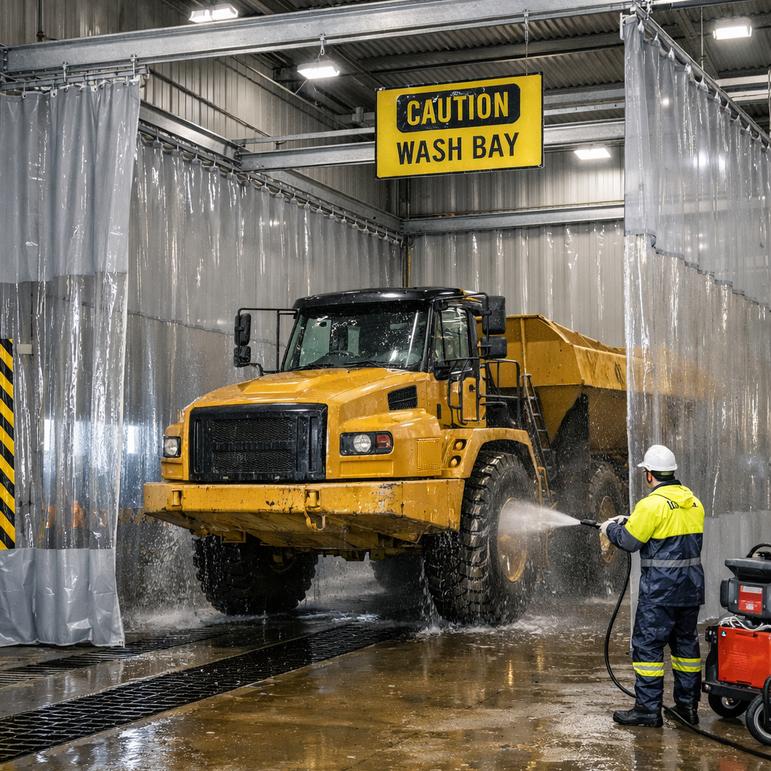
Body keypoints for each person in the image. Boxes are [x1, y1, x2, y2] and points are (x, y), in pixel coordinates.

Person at [600, 444, 705, 728]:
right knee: (686, 649)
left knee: (647, 649)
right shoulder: (694, 502)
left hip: (660, 594)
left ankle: (647, 711)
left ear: (648, 475)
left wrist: (611, 528)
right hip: (690, 590)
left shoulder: (651, 504)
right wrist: (628, 522)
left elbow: (629, 542)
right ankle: (687, 707)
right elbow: (667, 536)